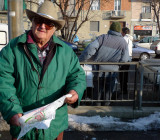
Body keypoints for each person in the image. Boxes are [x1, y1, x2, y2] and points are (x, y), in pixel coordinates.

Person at [0, 1, 86, 140]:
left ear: (55, 28)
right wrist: (12, 110)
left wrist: (75, 91)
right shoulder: (13, 49)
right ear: (32, 22)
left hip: (54, 127)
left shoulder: (66, 52)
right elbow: (3, 81)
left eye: (48, 23)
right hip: (23, 126)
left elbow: (77, 77)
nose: (42, 26)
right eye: (39, 20)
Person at [79, 22, 130, 106]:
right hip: (112, 72)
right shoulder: (123, 42)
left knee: (97, 91)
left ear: (110, 29)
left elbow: (90, 49)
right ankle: (106, 109)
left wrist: (81, 60)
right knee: (108, 92)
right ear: (119, 31)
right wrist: (118, 65)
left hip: (98, 71)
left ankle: (96, 108)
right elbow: (124, 59)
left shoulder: (102, 38)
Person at [119, 27, 133, 94]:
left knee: (122, 76)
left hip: (124, 59)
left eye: (121, 32)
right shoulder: (130, 39)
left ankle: (123, 90)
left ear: (123, 32)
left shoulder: (123, 39)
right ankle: (125, 90)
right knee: (125, 75)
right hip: (129, 59)